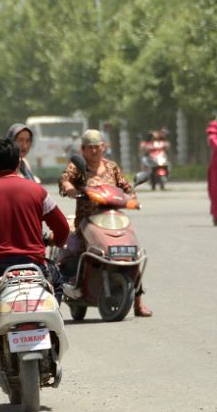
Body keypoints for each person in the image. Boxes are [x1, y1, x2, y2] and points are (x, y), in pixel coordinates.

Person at [0, 137, 70, 354]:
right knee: (58, 282)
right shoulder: (38, 192)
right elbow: (63, 228)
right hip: (36, 269)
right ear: (19, 162)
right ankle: (52, 328)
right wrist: (57, 240)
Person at [58, 129, 152, 318]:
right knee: (78, 250)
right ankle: (72, 284)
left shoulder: (112, 167)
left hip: (113, 218)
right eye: (90, 148)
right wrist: (69, 188)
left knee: (130, 251)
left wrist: (131, 194)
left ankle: (138, 301)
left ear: (104, 148)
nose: (94, 151)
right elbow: (65, 179)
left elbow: (126, 186)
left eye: (98, 147)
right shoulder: (78, 167)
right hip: (88, 220)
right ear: (82, 150)